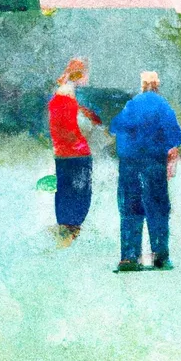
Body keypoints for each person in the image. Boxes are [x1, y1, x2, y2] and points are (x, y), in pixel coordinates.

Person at [109, 71, 181, 272]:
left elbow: (115, 127)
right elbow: (174, 138)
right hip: (154, 163)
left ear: (142, 85)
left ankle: (129, 257)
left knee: (130, 208)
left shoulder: (131, 105)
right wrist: (171, 160)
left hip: (129, 163)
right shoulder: (162, 105)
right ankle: (160, 256)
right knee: (158, 208)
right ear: (157, 85)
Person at [47, 59, 101, 245]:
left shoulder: (59, 98)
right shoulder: (67, 99)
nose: (88, 77)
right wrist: (89, 126)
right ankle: (72, 229)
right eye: (86, 73)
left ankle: (64, 227)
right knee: (80, 191)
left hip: (61, 153)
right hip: (77, 154)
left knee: (64, 190)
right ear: (79, 74)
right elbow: (72, 130)